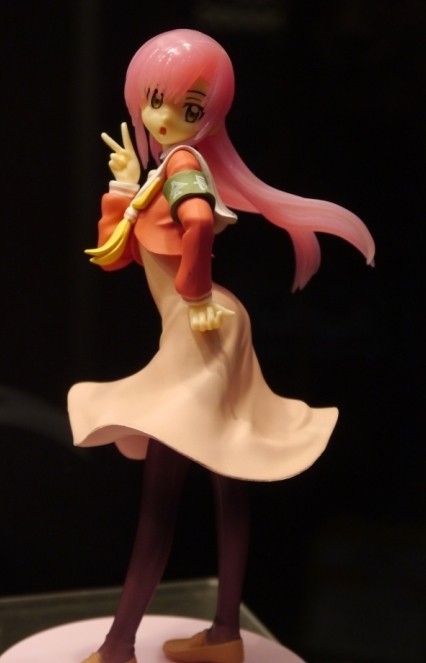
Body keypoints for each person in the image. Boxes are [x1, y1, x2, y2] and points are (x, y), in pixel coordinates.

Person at [68, 28, 375, 663]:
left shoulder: (183, 166)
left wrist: (197, 291)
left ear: (210, 114)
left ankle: (120, 645)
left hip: (202, 326)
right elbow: (117, 257)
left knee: (163, 494)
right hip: (203, 323)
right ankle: (224, 634)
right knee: (225, 475)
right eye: (156, 99)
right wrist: (123, 187)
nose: (165, 117)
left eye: (189, 107)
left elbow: (200, 222)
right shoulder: (162, 171)